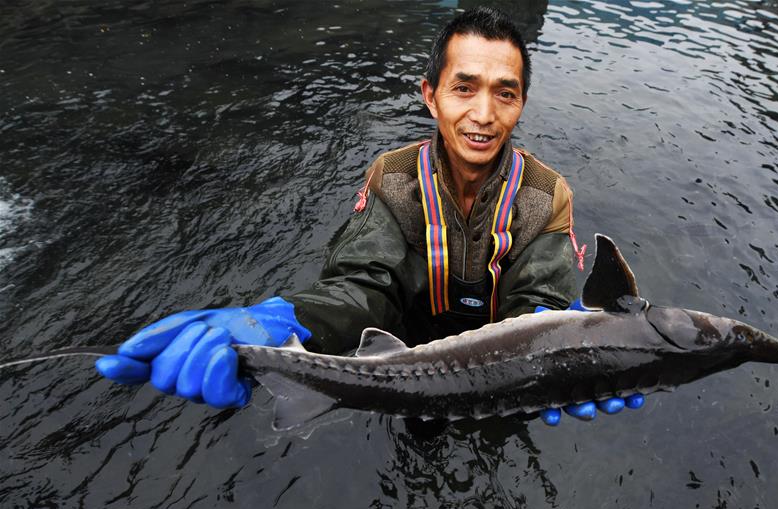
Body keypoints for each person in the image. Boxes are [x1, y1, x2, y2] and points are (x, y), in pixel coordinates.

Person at [96, 7, 645, 425]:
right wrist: (299, 320)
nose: (483, 114)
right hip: (397, 352)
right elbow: (362, 285)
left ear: (521, 102)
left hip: (505, 367)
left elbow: (538, 305)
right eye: (463, 88)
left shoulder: (548, 194)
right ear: (430, 96)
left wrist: (573, 338)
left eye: (506, 93)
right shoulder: (393, 175)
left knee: (499, 427)